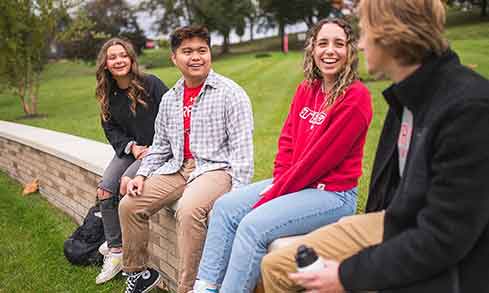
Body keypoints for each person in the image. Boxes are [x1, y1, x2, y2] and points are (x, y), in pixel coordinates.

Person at [261, 0, 489, 292]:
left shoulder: (468, 108)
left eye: (364, 32)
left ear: (390, 34)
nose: (360, 44)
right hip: (396, 220)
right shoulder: (406, 99)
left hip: (435, 244)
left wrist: (347, 275)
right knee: (275, 266)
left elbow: (445, 237)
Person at [191, 18, 372, 293]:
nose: (330, 51)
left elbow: (317, 162)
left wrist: (275, 193)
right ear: (312, 49)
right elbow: (287, 141)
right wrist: (279, 181)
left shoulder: (356, 97)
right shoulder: (307, 89)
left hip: (332, 194)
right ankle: (205, 287)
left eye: (339, 43)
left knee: (252, 226)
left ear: (350, 51)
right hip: (295, 182)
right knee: (225, 208)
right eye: (323, 43)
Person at [119, 25, 254, 293]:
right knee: (129, 204)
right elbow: (160, 145)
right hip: (178, 168)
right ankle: (138, 273)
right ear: (174, 58)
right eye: (187, 51)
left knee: (190, 210)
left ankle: (189, 288)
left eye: (202, 50)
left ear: (210, 54)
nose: (196, 57)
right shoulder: (171, 99)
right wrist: (142, 175)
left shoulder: (231, 93)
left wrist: (236, 198)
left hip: (216, 170)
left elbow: (243, 154)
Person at [94, 37, 168, 284]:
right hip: (130, 150)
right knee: (105, 189)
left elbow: (172, 115)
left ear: (131, 59)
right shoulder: (107, 93)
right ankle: (116, 251)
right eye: (113, 57)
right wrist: (132, 147)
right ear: (105, 63)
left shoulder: (151, 84)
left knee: (126, 184)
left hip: (157, 149)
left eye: (123, 55)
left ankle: (134, 259)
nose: (118, 61)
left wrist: (157, 147)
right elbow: (111, 130)